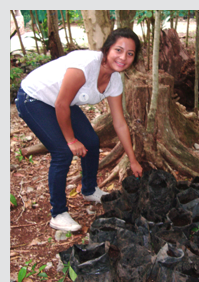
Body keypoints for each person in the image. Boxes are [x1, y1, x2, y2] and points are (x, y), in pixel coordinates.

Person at [15, 28, 143, 232]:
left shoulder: (115, 80)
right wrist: (71, 140)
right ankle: (58, 213)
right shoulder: (85, 66)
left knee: (92, 141)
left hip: (61, 101)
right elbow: (61, 105)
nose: (123, 57)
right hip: (34, 98)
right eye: (118, 50)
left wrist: (133, 159)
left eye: (130, 53)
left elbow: (119, 122)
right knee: (62, 151)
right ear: (107, 49)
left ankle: (90, 190)